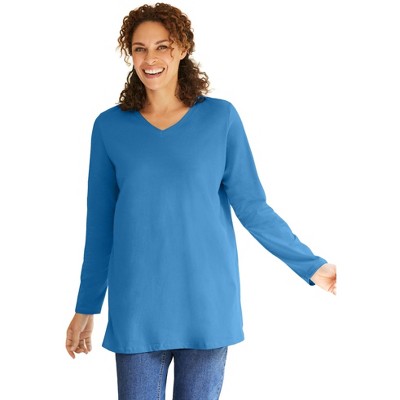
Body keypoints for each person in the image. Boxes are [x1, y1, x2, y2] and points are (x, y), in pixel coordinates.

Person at [65, 3, 336, 399]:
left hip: (207, 303)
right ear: (130, 54)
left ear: (182, 48)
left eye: (162, 46)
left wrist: (311, 265)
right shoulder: (109, 126)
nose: (150, 59)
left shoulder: (220, 119)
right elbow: (100, 226)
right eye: (140, 49)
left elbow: (252, 206)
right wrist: (86, 305)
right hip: (137, 305)